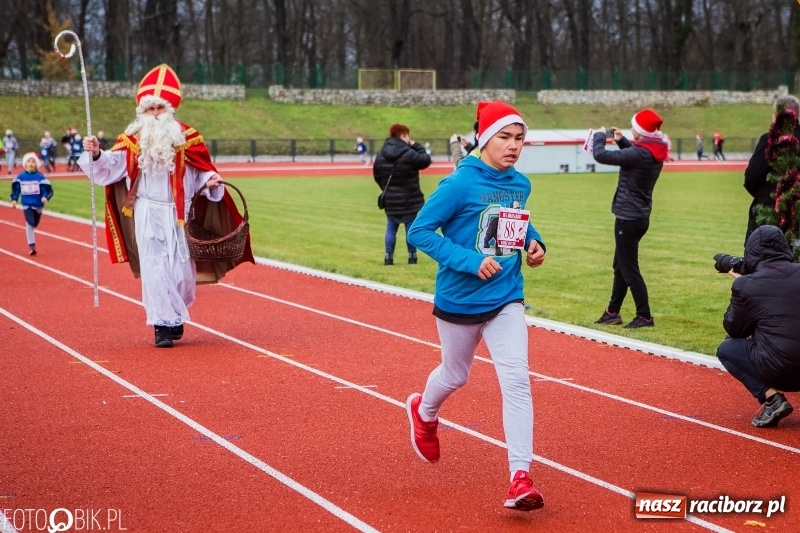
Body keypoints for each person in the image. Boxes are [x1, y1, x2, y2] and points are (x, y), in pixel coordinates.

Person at [404, 100, 547, 512]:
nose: (513, 145)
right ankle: (425, 411)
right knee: (455, 374)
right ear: (484, 139)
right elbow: (419, 232)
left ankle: (520, 478)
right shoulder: (458, 184)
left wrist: (534, 243)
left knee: (516, 380)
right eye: (504, 137)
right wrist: (469, 261)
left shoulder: (520, 184)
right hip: (460, 298)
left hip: (506, 296)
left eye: (519, 138)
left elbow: (514, 221)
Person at [78, 64, 254, 348]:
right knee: (154, 266)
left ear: (170, 109)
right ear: (142, 111)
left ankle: (174, 313)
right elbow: (110, 166)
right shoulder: (132, 141)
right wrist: (97, 152)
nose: (156, 113)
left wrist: (210, 180)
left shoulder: (186, 137)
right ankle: (161, 325)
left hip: (179, 213)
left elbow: (201, 171)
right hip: (147, 212)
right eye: (150, 109)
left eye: (160, 107)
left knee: (181, 270)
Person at [716, 225, 800, 428]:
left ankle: (772, 399)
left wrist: (741, 286)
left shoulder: (746, 285)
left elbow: (734, 330)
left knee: (727, 348)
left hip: (782, 372)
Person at [591, 109, 669, 329]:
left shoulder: (640, 153)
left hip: (628, 217)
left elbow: (601, 155)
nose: (631, 128)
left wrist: (599, 136)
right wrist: (622, 141)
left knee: (628, 269)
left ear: (640, 130)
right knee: (621, 266)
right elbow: (635, 156)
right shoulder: (652, 150)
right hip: (638, 216)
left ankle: (644, 315)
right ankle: (612, 311)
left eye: (633, 126)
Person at [743, 95, 800, 246]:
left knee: (764, 256)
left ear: (776, 115)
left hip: (770, 213)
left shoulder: (770, 140)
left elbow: (752, 176)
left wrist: (767, 195)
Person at [372, 123, 431, 265]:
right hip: (410, 197)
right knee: (410, 228)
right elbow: (425, 160)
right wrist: (415, 145)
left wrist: (386, 189)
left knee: (391, 228)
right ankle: (412, 256)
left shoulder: (381, 154)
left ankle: (388, 256)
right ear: (403, 135)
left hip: (391, 199)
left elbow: (377, 174)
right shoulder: (409, 154)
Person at [9, 152, 54, 256]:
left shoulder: (40, 177)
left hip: (38, 204)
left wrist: (45, 197)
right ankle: (31, 246)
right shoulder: (20, 177)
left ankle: (32, 238)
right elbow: (16, 189)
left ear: (36, 164)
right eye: (28, 161)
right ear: (25, 163)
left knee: (35, 223)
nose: (31, 163)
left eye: (33, 161)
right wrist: (14, 199)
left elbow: (47, 190)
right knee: (30, 223)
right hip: (26, 204)